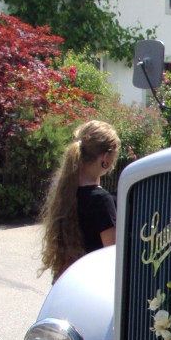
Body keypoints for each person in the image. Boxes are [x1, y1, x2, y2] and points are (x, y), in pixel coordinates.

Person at [40, 120, 121, 282]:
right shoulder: (101, 200)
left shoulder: (64, 192)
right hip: (93, 284)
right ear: (105, 158)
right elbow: (113, 255)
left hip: (68, 280)